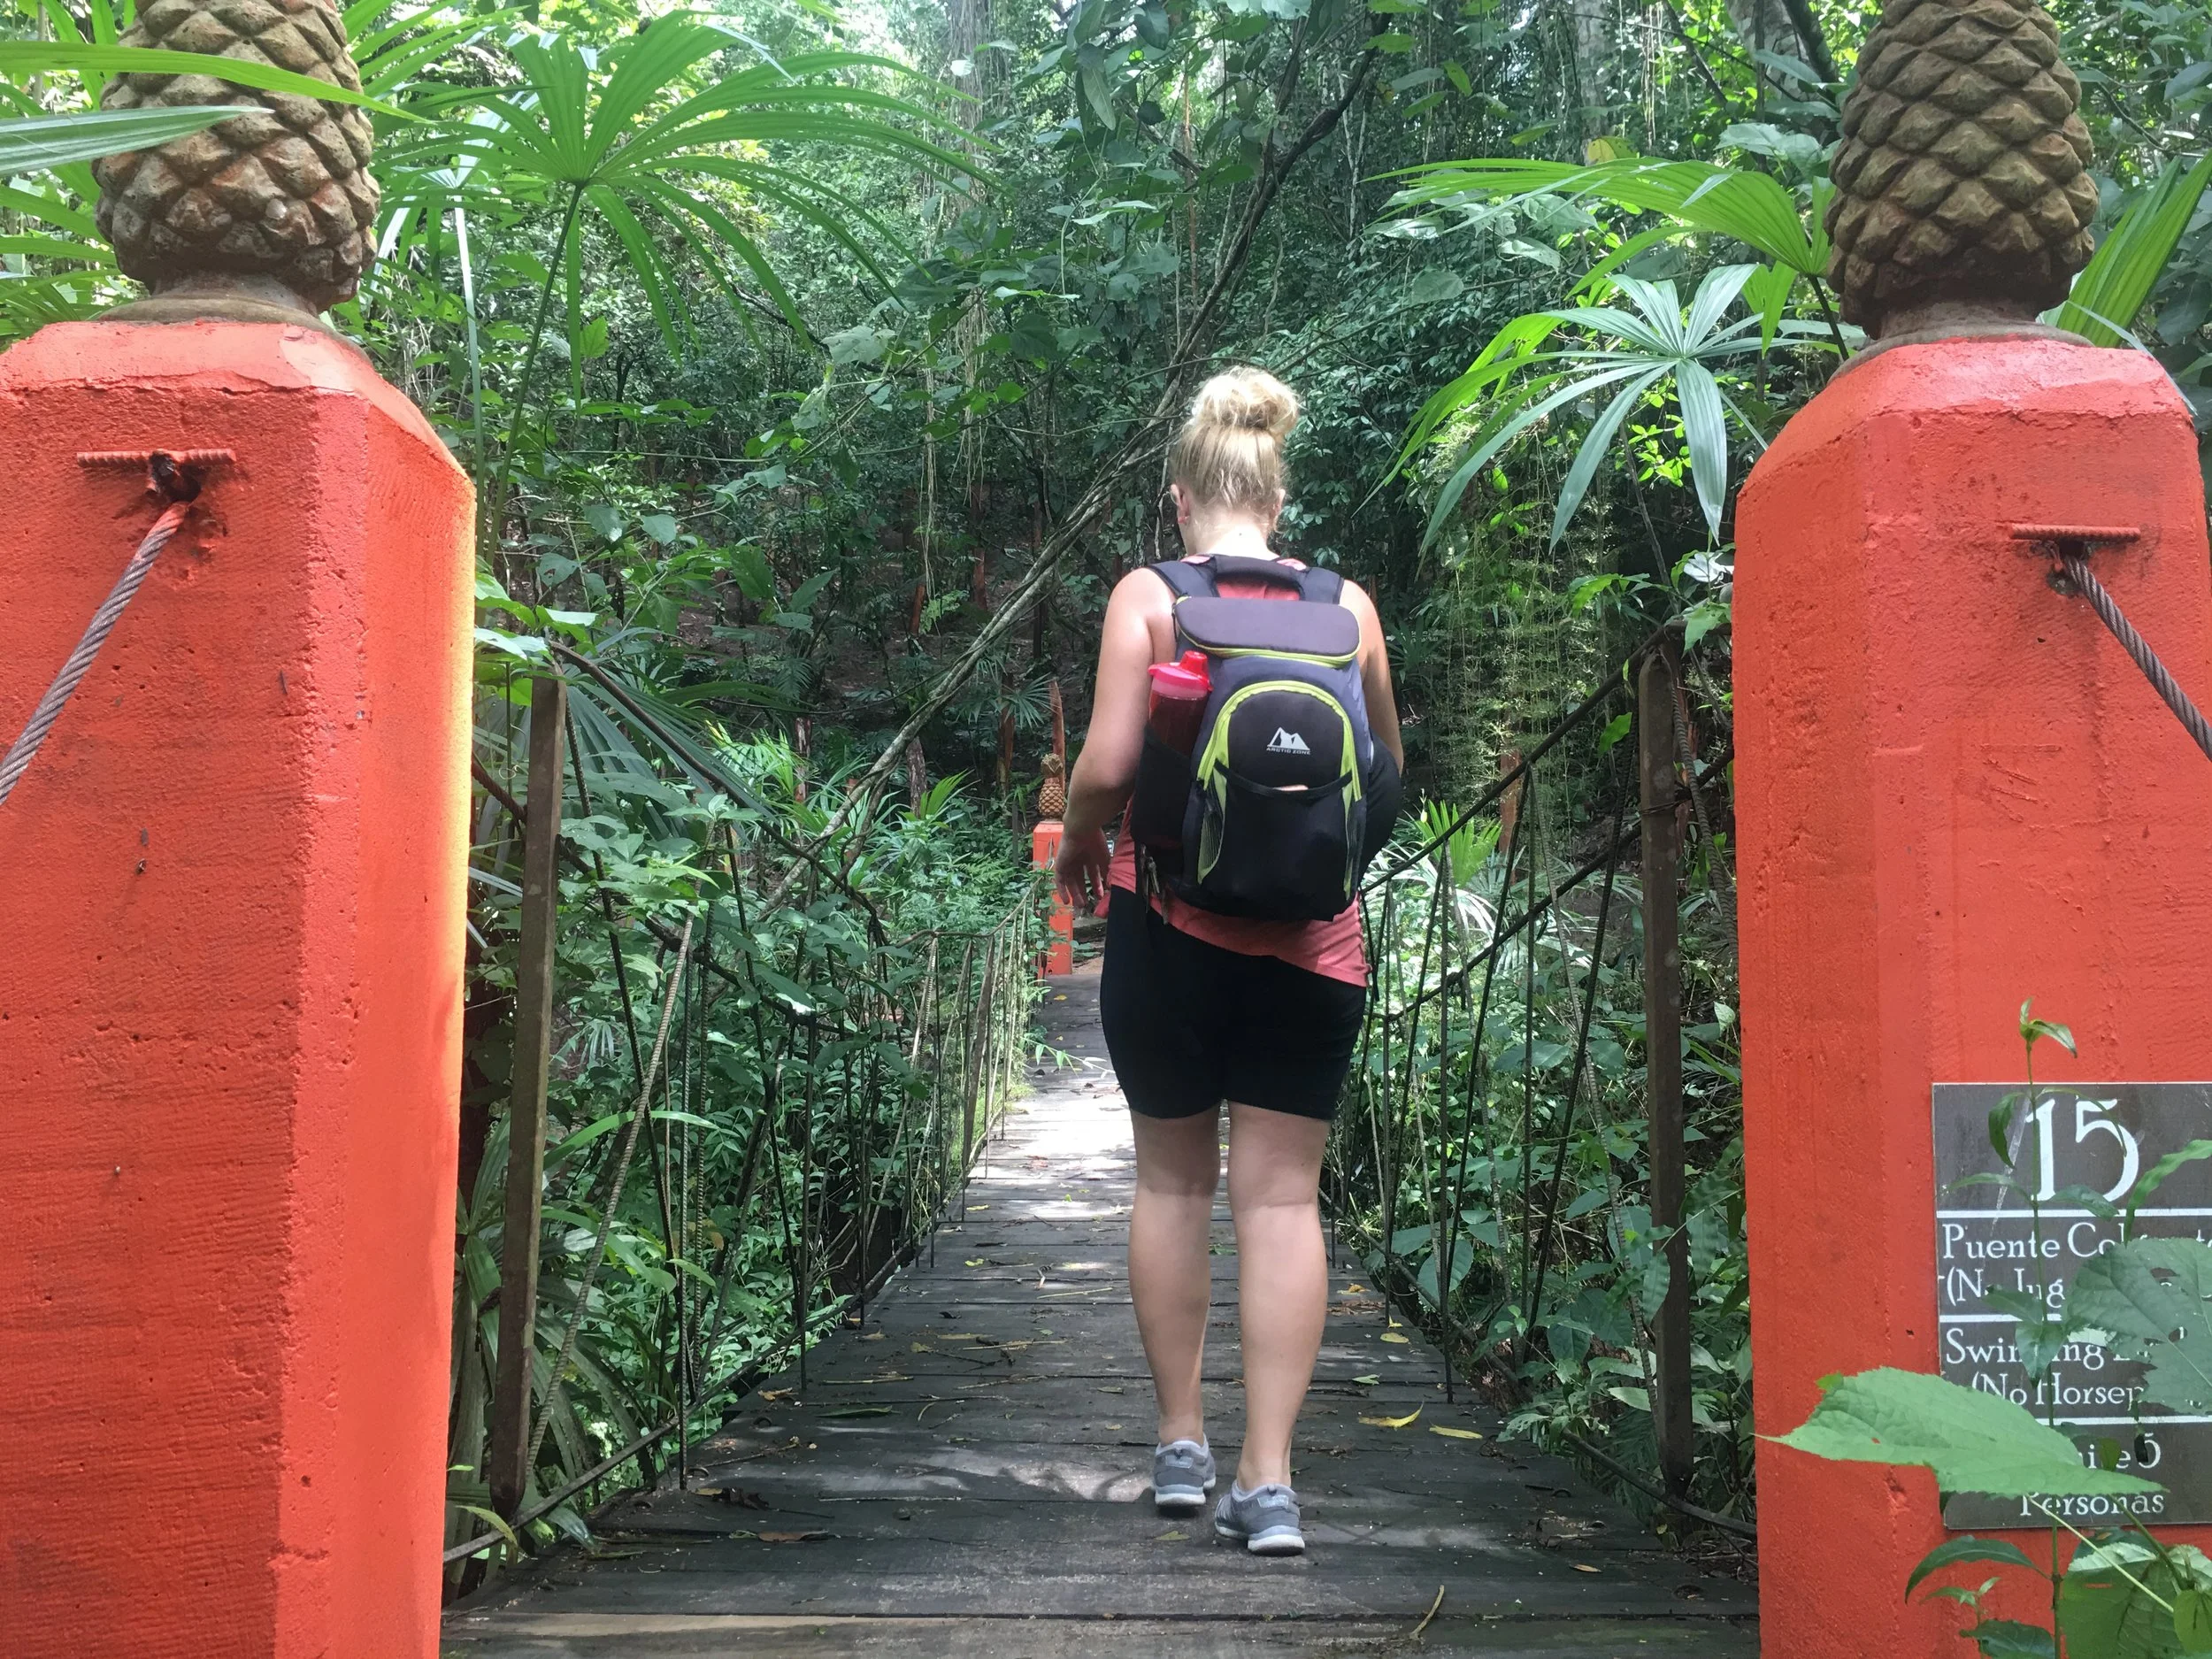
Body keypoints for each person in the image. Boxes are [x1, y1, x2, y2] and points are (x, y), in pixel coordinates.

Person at [1055, 367, 1403, 1556]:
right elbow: (1390, 780)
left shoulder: (1150, 596)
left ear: (1181, 494)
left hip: (1168, 930)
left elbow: (1103, 764)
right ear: (1278, 494)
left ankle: (1177, 1444)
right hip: (1316, 946)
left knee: (1172, 1184)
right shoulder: (1345, 607)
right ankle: (1269, 1482)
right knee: (1280, 1199)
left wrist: (1087, 848)